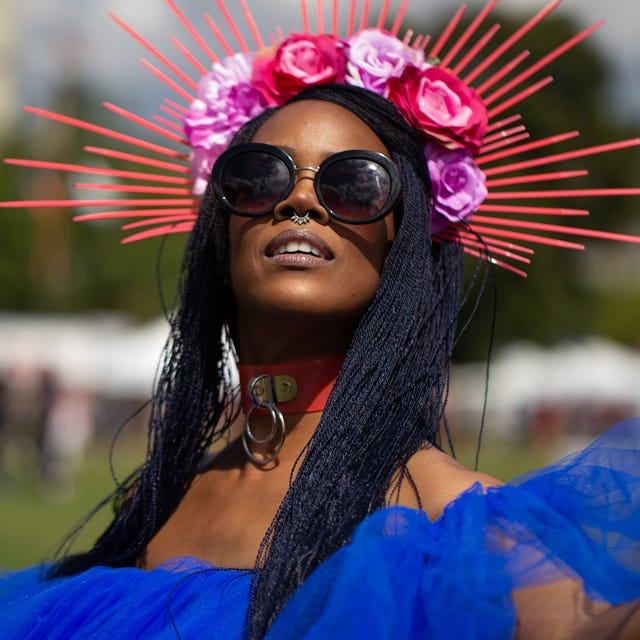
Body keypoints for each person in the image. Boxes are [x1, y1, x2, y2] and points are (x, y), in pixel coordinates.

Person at [0, 1, 639, 638]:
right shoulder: (154, 509)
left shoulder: (456, 520)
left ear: (403, 251)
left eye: (354, 185)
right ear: (220, 241)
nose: (300, 199)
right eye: (257, 178)